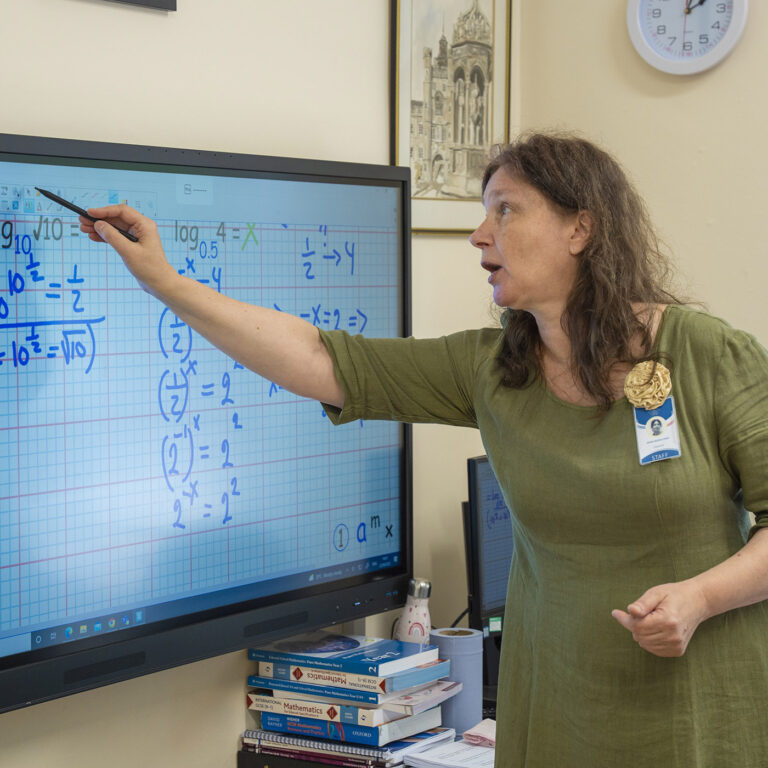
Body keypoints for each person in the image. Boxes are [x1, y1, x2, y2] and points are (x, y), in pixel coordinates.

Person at [80, 132, 768, 768]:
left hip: (697, 721)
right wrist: (165, 283)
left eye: (505, 211)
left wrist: (700, 598)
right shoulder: (495, 371)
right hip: (557, 719)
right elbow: (318, 357)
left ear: (580, 228)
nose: (479, 235)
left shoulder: (708, 355)